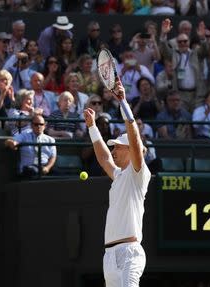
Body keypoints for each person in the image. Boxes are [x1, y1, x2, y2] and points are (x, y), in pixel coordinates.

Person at [84, 77, 150, 287]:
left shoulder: (138, 174)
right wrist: (92, 127)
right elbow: (104, 159)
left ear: (130, 150)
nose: (113, 150)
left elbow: (136, 141)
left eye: (117, 147)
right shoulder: (119, 176)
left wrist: (123, 103)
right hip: (109, 256)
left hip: (130, 253)